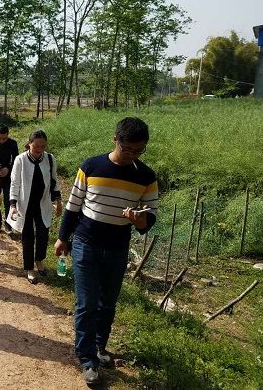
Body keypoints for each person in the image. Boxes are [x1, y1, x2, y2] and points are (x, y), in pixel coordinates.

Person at [55, 117, 158, 385]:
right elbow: (73, 206)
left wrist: (139, 219)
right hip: (85, 243)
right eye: (127, 149)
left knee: (107, 304)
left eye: (138, 151)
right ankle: (87, 358)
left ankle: (100, 346)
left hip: (117, 247)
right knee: (87, 303)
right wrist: (62, 238)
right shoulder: (91, 166)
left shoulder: (146, 177)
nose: (131, 155)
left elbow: (150, 218)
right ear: (115, 140)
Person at [7, 130, 62, 284]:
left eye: (43, 146)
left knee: (43, 233)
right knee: (28, 236)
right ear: (29, 144)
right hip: (25, 204)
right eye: (36, 146)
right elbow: (14, 184)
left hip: (43, 203)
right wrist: (13, 205)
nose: (39, 149)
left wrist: (58, 201)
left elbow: (54, 181)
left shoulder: (50, 159)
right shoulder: (20, 160)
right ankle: (29, 268)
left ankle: (39, 260)